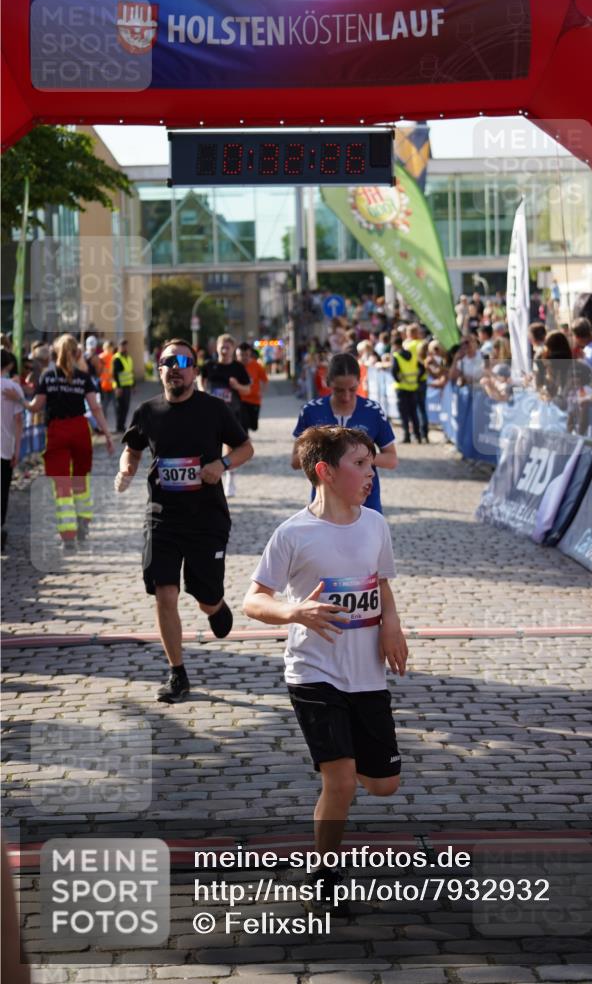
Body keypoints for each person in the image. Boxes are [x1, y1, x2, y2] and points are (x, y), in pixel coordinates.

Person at [243, 426, 408, 905]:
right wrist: (295, 612)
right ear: (325, 471)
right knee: (338, 782)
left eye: (372, 465)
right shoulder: (293, 534)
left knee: (383, 784)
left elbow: (381, 584)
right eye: (360, 464)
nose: (370, 474)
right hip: (313, 671)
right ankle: (326, 874)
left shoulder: (375, 525)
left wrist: (392, 625)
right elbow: (255, 601)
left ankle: (347, 762)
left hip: (366, 673)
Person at [114, 339, 254, 704]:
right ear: (159, 369)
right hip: (161, 516)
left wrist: (220, 465)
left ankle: (215, 605)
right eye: (167, 361)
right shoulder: (148, 412)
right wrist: (126, 471)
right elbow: (131, 448)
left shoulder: (214, 409)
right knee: (165, 593)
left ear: (194, 368)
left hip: (206, 518)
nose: (175, 367)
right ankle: (177, 672)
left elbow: (245, 448)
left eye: (183, 361)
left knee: (204, 596)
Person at [7, 334, 113, 551]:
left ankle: (68, 536)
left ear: (55, 353)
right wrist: (108, 435)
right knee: (81, 479)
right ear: (76, 353)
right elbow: (95, 408)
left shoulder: (48, 376)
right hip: (80, 430)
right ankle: (83, 519)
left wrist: (18, 398)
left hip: (57, 431)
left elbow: (35, 407)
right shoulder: (84, 378)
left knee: (62, 483)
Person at [292, 353, 397, 514]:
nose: (346, 397)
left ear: (359, 382)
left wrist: (359, 459)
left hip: (367, 503)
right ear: (328, 383)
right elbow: (295, 461)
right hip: (325, 505)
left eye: (353, 389)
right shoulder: (311, 411)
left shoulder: (372, 411)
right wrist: (331, 458)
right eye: (339, 390)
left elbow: (391, 460)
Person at [199, 333, 250, 497]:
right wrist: (202, 390)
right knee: (210, 443)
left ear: (232, 349)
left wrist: (237, 385)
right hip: (209, 412)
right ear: (217, 347)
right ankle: (209, 474)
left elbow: (247, 389)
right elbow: (201, 378)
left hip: (231, 412)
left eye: (228, 346)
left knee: (230, 446)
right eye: (222, 346)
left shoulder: (238, 368)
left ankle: (229, 477)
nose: (224, 349)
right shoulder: (209, 365)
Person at [1, 349, 24, 553]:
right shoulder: (13, 389)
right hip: (5, 448)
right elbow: (19, 422)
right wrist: (18, 450)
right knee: (3, 491)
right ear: (8, 366)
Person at [391, 333, 423, 444]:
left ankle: (407, 436)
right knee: (414, 414)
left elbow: (394, 372)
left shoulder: (396, 356)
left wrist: (399, 380)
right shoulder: (413, 355)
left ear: (395, 344)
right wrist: (417, 379)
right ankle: (418, 436)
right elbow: (422, 368)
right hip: (413, 388)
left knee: (404, 415)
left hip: (402, 389)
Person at [236, 342, 269, 433]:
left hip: (254, 400)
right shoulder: (235, 366)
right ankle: (244, 438)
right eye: (241, 355)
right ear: (237, 355)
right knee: (243, 423)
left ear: (250, 354)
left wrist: (262, 392)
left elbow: (265, 380)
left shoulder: (256, 366)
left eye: (246, 355)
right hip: (240, 400)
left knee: (254, 426)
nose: (244, 357)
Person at [113, 339, 135, 433]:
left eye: (126, 346)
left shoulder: (128, 357)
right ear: (119, 347)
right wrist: (118, 387)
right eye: (123, 346)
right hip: (120, 387)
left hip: (128, 386)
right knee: (120, 407)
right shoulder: (117, 358)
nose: (125, 348)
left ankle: (122, 426)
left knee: (126, 407)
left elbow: (131, 372)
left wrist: (134, 385)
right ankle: (119, 426)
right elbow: (115, 374)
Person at [98, 340, 116, 419]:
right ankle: (104, 422)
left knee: (114, 405)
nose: (110, 349)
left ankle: (118, 425)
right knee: (104, 405)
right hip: (104, 385)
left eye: (111, 348)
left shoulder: (114, 357)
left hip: (112, 384)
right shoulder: (101, 357)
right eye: (108, 348)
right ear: (105, 348)